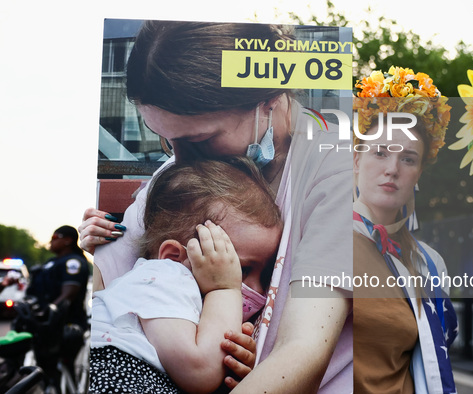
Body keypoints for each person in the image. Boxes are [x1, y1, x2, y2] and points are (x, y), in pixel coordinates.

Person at [79, 21, 352, 393]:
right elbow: (107, 287)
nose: (178, 158)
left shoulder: (337, 168)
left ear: (268, 100)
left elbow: (303, 351)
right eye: (164, 139)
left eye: (200, 138)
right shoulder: (176, 174)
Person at [90, 159, 282, 393]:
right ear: (173, 257)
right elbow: (201, 372)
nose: (258, 291)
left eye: (265, 274)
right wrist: (224, 289)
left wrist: (232, 363)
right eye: (241, 270)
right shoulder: (163, 277)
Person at [352, 68, 457, 393]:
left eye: (408, 159)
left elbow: (434, 364)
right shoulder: (313, 237)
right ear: (356, 158)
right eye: (380, 152)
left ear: (419, 173)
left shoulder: (430, 264)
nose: (392, 169)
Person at [22, 225, 90, 390]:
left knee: (60, 373)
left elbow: (68, 294)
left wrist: (49, 311)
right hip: (41, 325)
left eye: (54, 238)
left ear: (68, 240)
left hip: (63, 324)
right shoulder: (51, 262)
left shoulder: (74, 261)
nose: (50, 242)